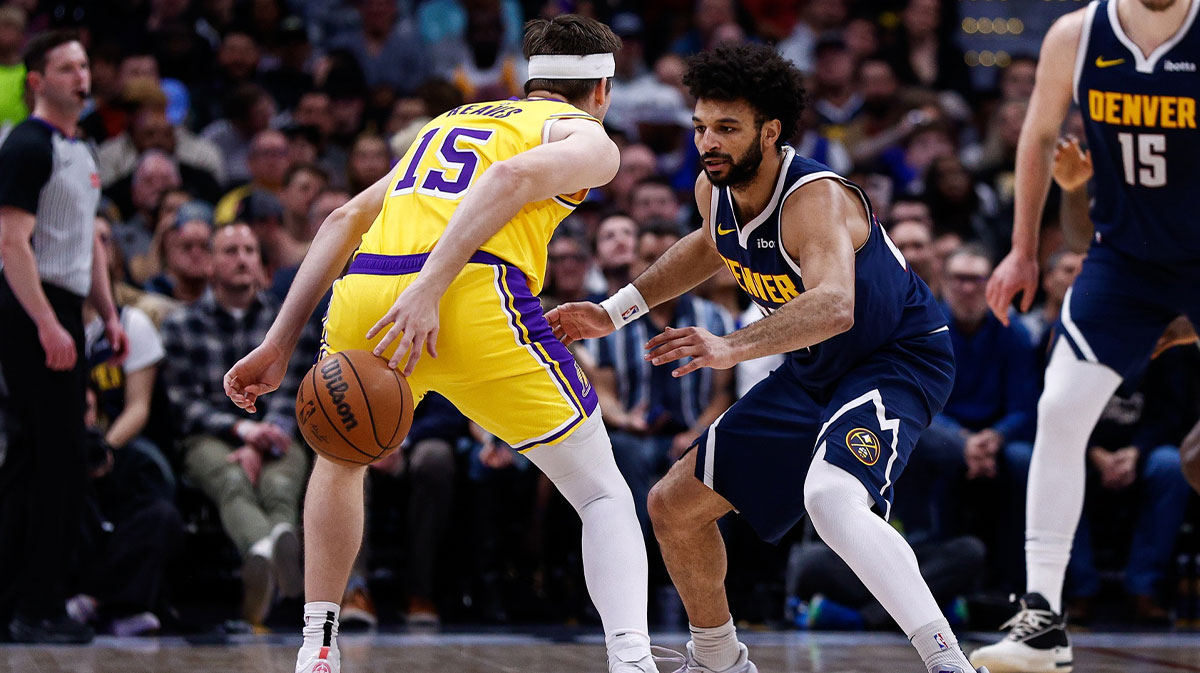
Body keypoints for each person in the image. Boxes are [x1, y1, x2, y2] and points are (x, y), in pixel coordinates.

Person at [224, 15, 656, 673]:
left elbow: (343, 218)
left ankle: (318, 644)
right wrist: (429, 289)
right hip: (468, 292)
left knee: (340, 458)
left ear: (532, 78)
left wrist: (279, 341)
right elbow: (507, 182)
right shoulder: (588, 136)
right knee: (601, 493)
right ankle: (633, 661)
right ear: (601, 89)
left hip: (367, 291)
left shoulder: (447, 122)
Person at [550, 43, 979, 673]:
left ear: (769, 131)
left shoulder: (815, 199)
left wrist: (729, 346)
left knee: (831, 499)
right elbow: (709, 245)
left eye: (726, 128)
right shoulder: (712, 187)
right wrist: (614, 311)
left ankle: (949, 663)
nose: (708, 143)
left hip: (895, 358)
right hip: (813, 368)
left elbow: (835, 304)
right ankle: (721, 660)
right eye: (700, 127)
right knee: (674, 506)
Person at [974, 0, 1200, 670]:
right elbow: (1037, 136)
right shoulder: (1077, 34)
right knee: (1058, 409)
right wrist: (1022, 251)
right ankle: (1041, 615)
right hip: (1125, 261)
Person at [0, 30, 127, 644]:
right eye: (66, 67)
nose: (81, 76)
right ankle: (38, 606)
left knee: (37, 460)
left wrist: (109, 312)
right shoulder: (27, 145)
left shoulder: (83, 147)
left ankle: (19, 600)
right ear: (36, 80)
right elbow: (10, 243)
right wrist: (49, 324)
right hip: (32, 306)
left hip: (68, 303)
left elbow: (90, 242)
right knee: (59, 461)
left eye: (84, 65)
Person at [160, 224, 313, 626]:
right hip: (208, 438)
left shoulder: (288, 321)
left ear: (261, 265)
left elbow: (295, 387)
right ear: (209, 264)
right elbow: (183, 404)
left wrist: (267, 434)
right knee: (233, 481)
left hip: (278, 432)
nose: (242, 258)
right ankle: (267, 547)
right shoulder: (180, 325)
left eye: (249, 250)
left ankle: (268, 549)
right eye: (230, 251)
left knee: (279, 486)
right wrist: (244, 432)